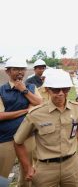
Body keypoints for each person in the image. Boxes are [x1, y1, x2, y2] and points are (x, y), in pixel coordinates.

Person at [14, 69, 78, 187]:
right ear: (47, 90)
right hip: (45, 169)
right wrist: (28, 167)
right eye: (56, 90)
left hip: (71, 166)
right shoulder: (36, 114)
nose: (61, 93)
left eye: (65, 89)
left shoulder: (76, 109)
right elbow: (18, 142)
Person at [0, 57, 42, 187]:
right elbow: (1, 115)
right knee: (2, 173)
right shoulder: (1, 91)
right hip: (6, 138)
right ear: (8, 71)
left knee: (28, 172)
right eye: (15, 69)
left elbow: (40, 104)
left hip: (27, 137)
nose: (20, 72)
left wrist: (23, 90)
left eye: (22, 69)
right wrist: (26, 110)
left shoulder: (31, 87)